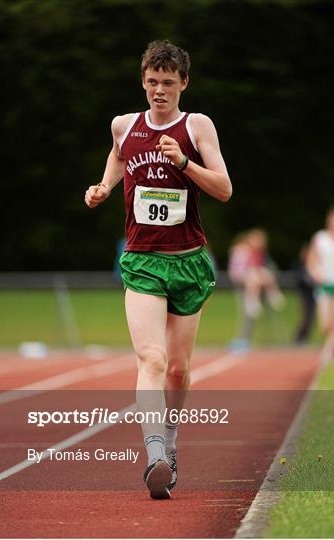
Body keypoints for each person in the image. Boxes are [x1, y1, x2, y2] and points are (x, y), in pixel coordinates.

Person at [84, 40, 232, 499]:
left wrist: (184, 162)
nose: (159, 91)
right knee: (152, 359)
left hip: (187, 260)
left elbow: (224, 189)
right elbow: (117, 154)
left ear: (184, 83)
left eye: (168, 83)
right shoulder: (124, 124)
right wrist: (105, 185)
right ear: (143, 80)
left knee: (178, 371)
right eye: (152, 82)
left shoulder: (197, 126)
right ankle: (154, 456)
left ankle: (170, 441)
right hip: (143, 260)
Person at [306, 207, 334, 365]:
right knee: (325, 325)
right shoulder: (320, 238)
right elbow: (311, 259)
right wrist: (315, 272)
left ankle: (326, 354)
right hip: (324, 284)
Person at [293, 244, 316, 344]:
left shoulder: (317, 267)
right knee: (306, 318)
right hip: (305, 295)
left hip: (314, 296)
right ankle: (298, 338)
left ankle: (304, 338)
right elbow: (300, 281)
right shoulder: (301, 267)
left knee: (311, 318)